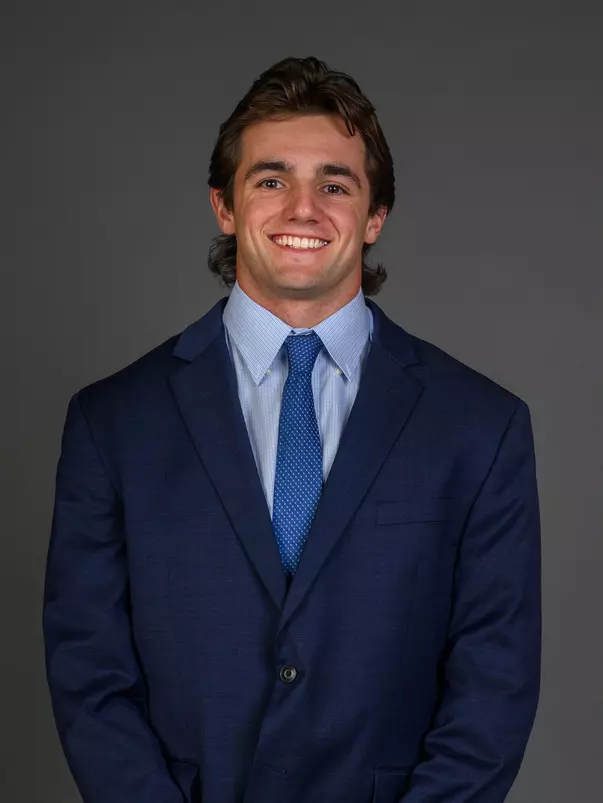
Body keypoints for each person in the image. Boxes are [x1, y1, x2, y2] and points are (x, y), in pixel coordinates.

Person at [43, 56, 541, 803]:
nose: (302, 209)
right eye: (271, 181)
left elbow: (493, 686)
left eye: (334, 185)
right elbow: (90, 677)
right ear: (224, 206)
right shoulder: (112, 422)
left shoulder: (480, 427)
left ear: (375, 216)